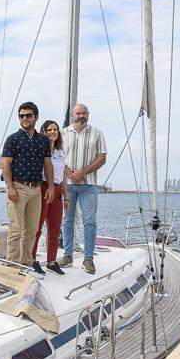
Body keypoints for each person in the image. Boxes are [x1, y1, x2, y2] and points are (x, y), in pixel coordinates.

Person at [1, 102, 53, 268]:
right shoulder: (13, 139)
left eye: (28, 115)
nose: (25, 118)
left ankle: (25, 264)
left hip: (36, 189)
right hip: (18, 187)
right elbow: (6, 165)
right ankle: (12, 265)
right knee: (16, 229)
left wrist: (51, 186)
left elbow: (47, 165)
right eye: (22, 116)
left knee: (32, 230)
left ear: (36, 117)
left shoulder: (43, 140)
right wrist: (10, 187)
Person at [60, 103, 107, 274]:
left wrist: (82, 172)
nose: (81, 116)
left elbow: (102, 158)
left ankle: (88, 258)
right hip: (68, 186)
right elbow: (56, 157)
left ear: (88, 114)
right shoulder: (63, 133)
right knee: (67, 221)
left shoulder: (97, 133)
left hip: (89, 185)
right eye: (78, 113)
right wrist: (69, 173)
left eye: (84, 113)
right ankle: (67, 255)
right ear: (72, 115)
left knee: (90, 221)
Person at [32, 120, 68, 276]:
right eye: (49, 130)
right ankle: (32, 260)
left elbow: (63, 177)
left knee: (54, 229)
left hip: (58, 190)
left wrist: (66, 196)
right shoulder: (39, 150)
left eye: (55, 129)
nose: (52, 132)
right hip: (44, 188)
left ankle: (52, 262)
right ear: (43, 132)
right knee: (37, 227)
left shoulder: (61, 152)